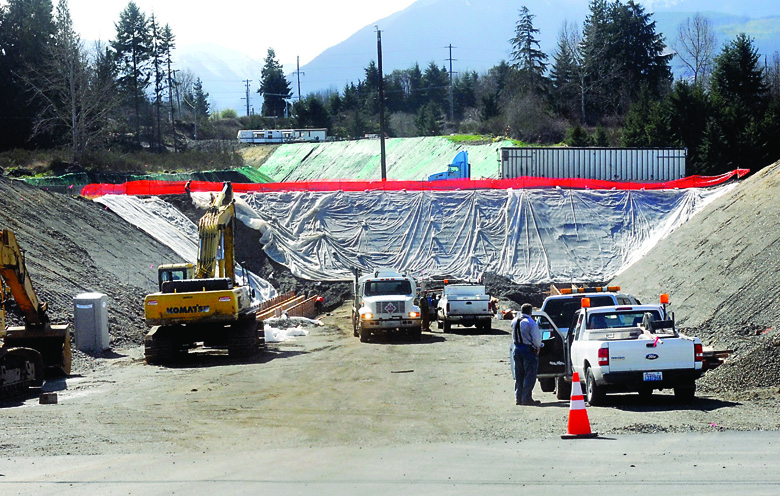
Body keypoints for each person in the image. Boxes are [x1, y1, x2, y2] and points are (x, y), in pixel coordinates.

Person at [511, 303, 543, 405]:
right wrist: (538, 346)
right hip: (528, 350)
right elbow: (536, 338)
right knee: (529, 375)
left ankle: (518, 398)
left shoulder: (514, 321)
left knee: (519, 374)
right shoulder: (530, 322)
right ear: (530, 312)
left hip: (517, 348)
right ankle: (526, 398)